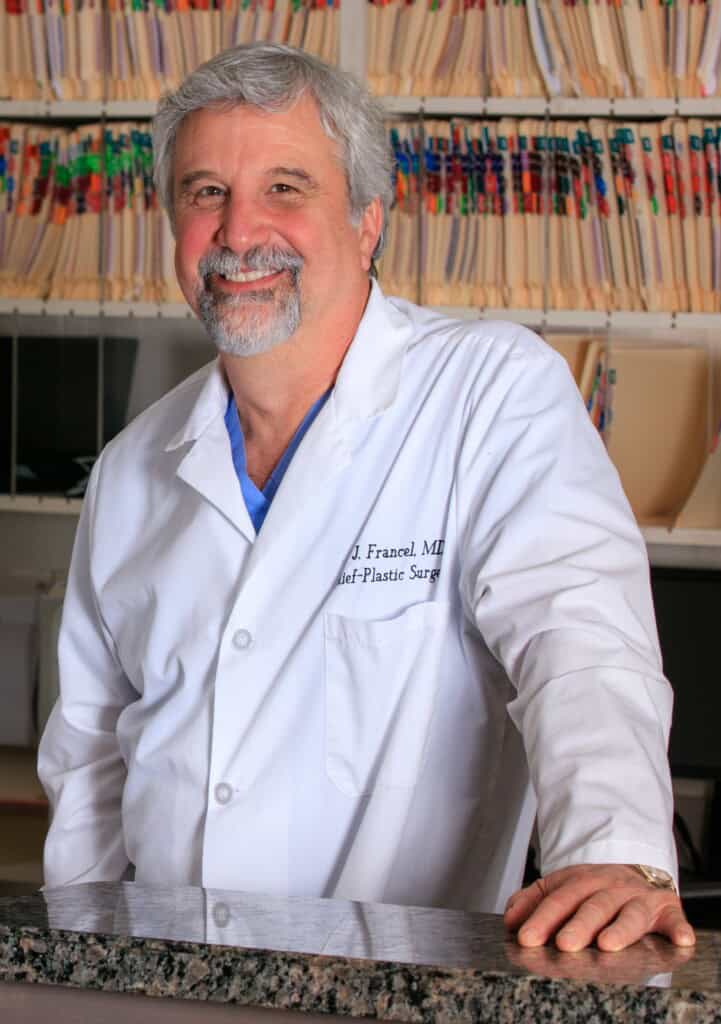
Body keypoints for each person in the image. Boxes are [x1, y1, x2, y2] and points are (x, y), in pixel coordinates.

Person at [38, 43, 694, 954]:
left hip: (393, 987)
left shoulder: (488, 390)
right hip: (159, 984)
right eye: (205, 193)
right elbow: (89, 757)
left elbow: (575, 638)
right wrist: (73, 963)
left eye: (285, 189)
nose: (237, 233)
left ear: (366, 220)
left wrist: (618, 853)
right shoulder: (132, 465)